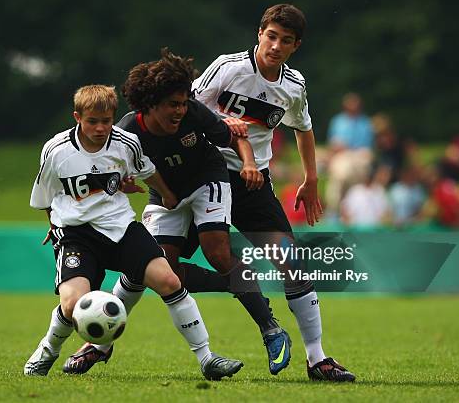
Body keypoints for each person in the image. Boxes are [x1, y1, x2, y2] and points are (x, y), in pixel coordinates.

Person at [66, 50, 293, 377]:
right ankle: (101, 344)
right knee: (151, 268)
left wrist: (246, 163)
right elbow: (105, 173)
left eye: (184, 102)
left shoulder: (194, 114)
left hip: (207, 181)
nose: (181, 109)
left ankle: (270, 329)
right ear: (151, 104)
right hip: (165, 195)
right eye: (173, 104)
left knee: (217, 252)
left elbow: (237, 136)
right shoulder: (127, 131)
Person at [23, 85, 243, 380]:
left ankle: (207, 358)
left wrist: (166, 194)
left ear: (114, 117)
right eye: (92, 121)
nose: (100, 128)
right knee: (73, 303)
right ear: (77, 117)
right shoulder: (56, 150)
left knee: (169, 280)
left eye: (106, 120)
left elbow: (146, 169)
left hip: (121, 228)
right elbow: (44, 197)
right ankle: (47, 351)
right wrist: (54, 224)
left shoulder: (126, 143)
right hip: (77, 235)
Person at [191, 4, 355, 381]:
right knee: (156, 260)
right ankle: (98, 343)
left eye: (286, 40)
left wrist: (311, 179)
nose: (276, 45)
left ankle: (317, 359)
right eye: (271, 36)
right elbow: (188, 111)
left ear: (296, 46)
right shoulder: (228, 67)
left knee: (291, 260)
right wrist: (222, 124)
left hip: (253, 185)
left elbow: (304, 128)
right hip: (205, 179)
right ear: (259, 33)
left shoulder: (293, 86)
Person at [325, 93, 374, 217]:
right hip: (342, 156)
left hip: (358, 156)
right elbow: (333, 144)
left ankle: (347, 209)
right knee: (342, 173)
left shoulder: (365, 123)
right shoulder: (338, 121)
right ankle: (336, 210)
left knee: (348, 171)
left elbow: (367, 147)